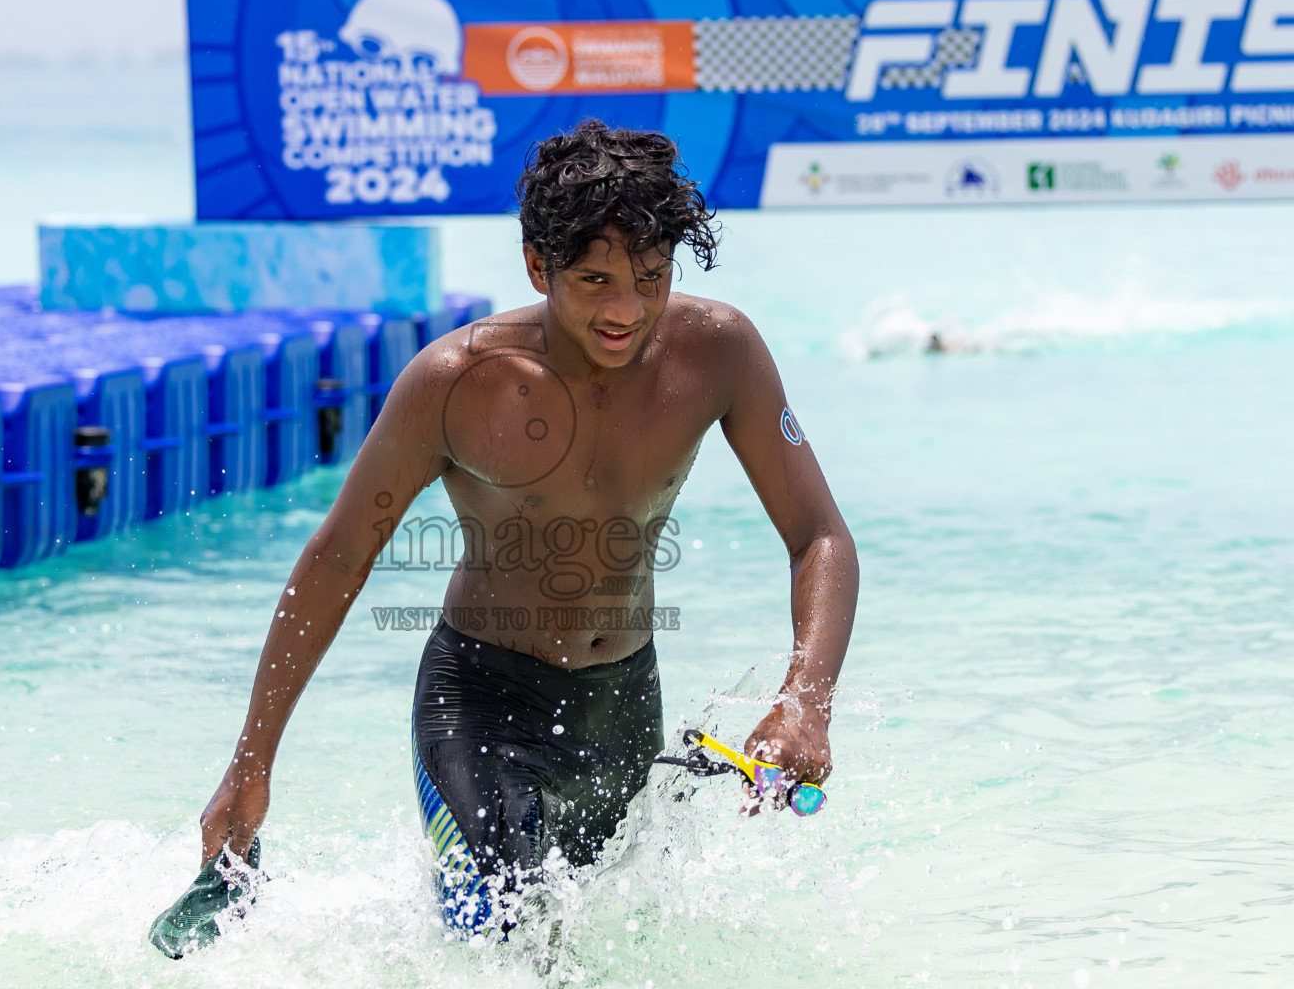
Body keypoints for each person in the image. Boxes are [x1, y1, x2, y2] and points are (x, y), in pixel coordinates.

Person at [196, 118, 858, 933]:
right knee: (507, 940)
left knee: (591, 947)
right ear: (537, 266)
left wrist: (806, 700)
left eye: (652, 277)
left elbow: (819, 536)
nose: (629, 310)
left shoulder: (718, 352)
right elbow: (337, 559)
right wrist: (251, 761)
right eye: (595, 281)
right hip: (479, 699)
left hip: (621, 706)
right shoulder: (456, 381)